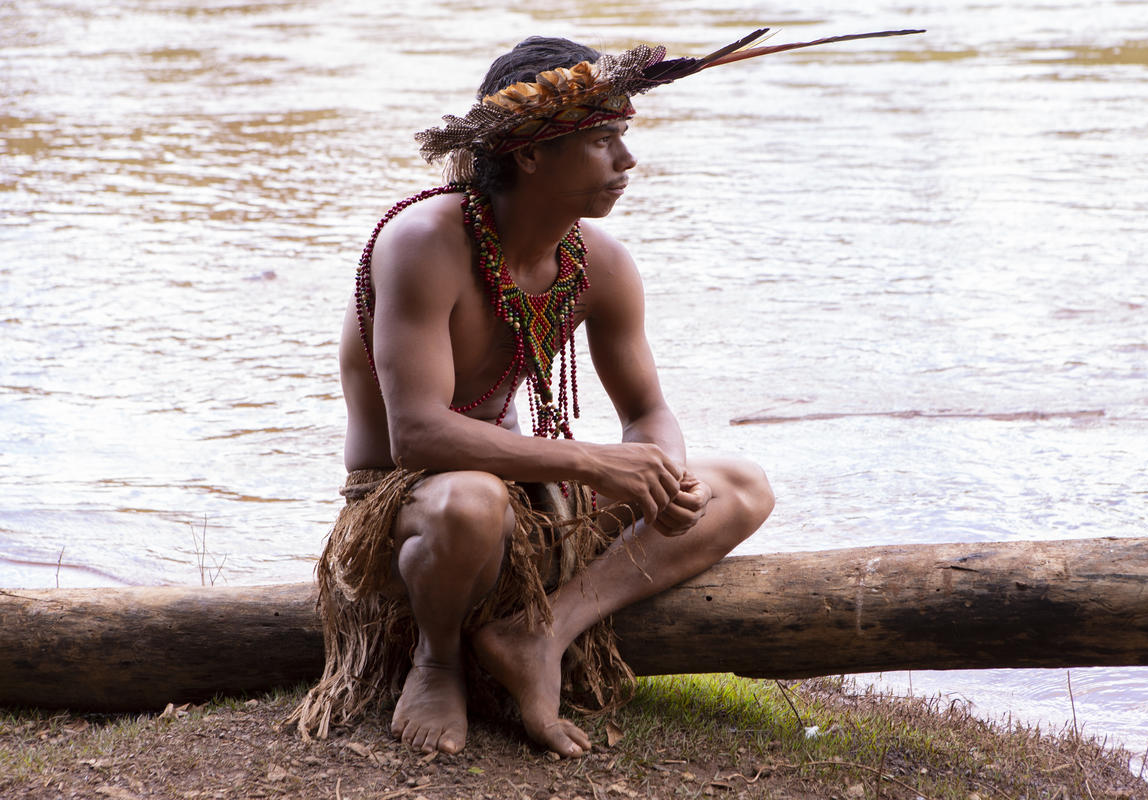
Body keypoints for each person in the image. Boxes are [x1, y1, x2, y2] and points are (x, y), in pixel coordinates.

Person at [292, 26, 915, 758]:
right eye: (603, 141)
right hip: (408, 506)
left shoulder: (601, 265)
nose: (628, 160)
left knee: (740, 487)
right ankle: (437, 659)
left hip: (520, 502)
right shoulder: (423, 240)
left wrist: (661, 471)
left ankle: (539, 633)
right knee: (469, 500)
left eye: (624, 136)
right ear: (529, 154)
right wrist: (597, 463)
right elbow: (418, 436)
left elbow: (647, 412)